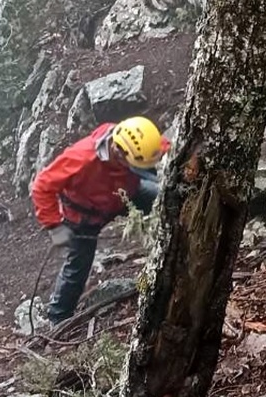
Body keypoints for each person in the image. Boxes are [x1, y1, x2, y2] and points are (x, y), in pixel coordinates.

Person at [31, 116, 170, 326]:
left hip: (124, 194)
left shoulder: (141, 141)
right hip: (84, 215)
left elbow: (164, 146)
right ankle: (58, 319)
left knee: (166, 197)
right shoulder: (82, 158)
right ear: (118, 152)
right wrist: (54, 226)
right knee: (78, 267)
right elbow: (42, 185)